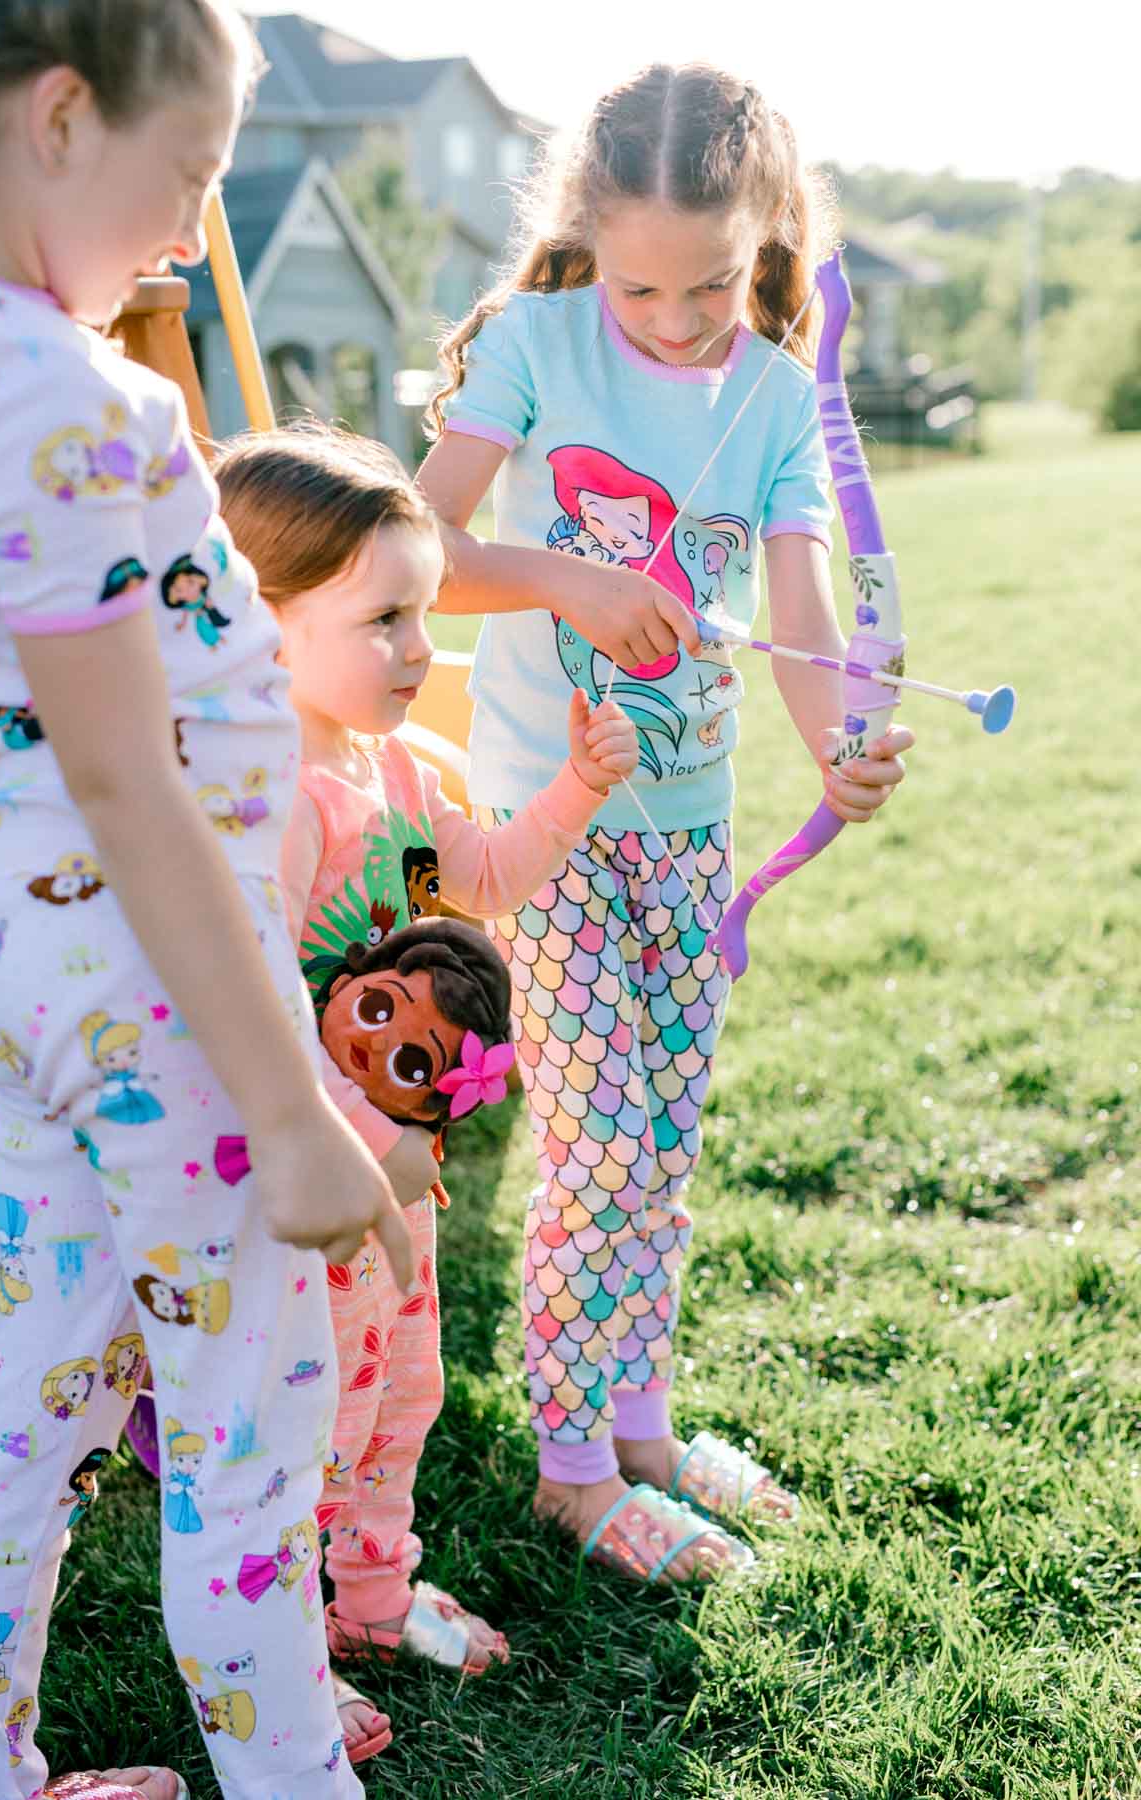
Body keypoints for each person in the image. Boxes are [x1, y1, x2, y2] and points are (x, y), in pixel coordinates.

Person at [0, 4, 412, 1796]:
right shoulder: (62, 391)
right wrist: (291, 1114)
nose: (181, 235)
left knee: (38, 1388)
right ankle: (298, 1778)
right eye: (193, 177)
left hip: (15, 933)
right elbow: (134, 780)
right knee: (245, 1430)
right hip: (146, 960)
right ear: (63, 116)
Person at [415, 62, 916, 1585]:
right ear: (585, 236)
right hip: (548, 814)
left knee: (666, 1137)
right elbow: (419, 548)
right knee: (599, 1140)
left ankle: (640, 1425)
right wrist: (567, 578)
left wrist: (843, 751)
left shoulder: (771, 388)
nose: (680, 315)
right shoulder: (535, 342)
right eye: (645, 284)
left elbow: (807, 613)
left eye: (712, 282)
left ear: (764, 240)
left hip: (692, 830)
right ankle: (574, 1472)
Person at [214, 423, 639, 1764]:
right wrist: (362, 1150)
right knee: (296, 1440)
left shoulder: (399, 773)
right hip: (296, 1204)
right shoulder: (270, 803)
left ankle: (377, 1600)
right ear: (259, 619)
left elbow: (491, 881)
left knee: (402, 1401)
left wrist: (575, 785)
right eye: (383, 619)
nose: (418, 650)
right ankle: (283, 1663)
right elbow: (251, 1016)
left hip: (396, 1186)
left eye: (424, 614)